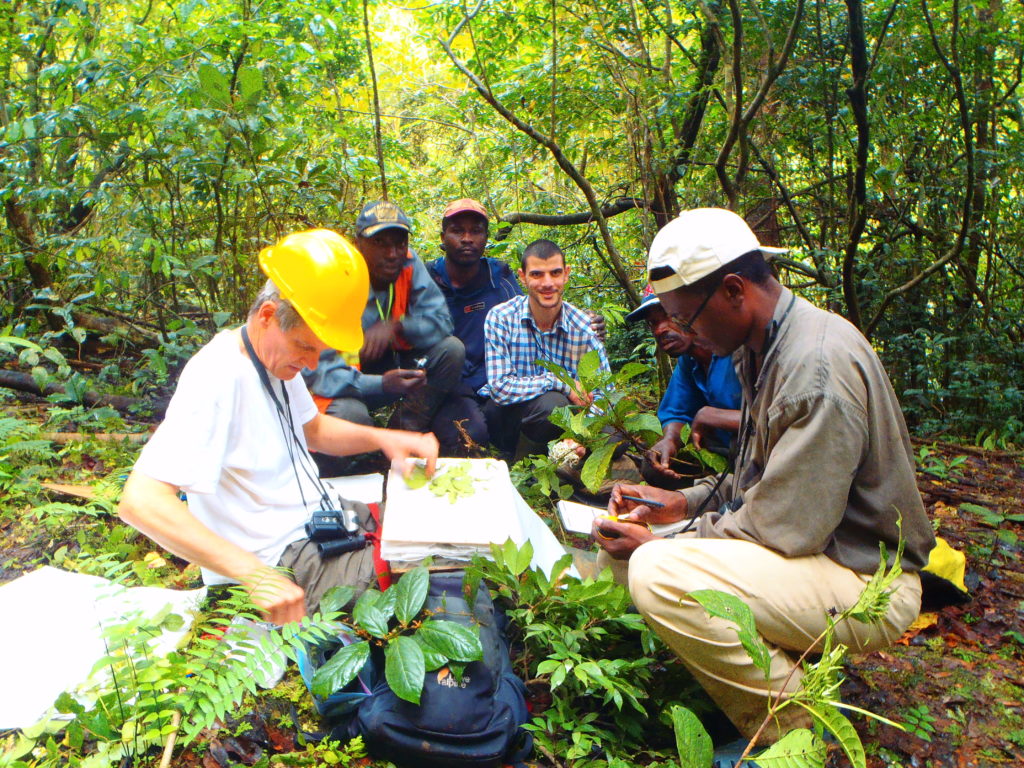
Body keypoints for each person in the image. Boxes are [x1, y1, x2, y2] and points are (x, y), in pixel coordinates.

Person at [593, 209, 935, 757]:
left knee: (658, 573)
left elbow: (781, 527)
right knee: (631, 554)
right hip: (815, 547)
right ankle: (747, 683)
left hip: (866, 579)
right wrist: (679, 502)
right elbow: (755, 481)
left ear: (732, 291)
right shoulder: (765, 346)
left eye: (686, 318)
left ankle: (797, 738)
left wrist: (667, 545)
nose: (683, 333)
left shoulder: (813, 368)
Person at [118, 230, 439, 626]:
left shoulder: (274, 359)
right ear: (268, 315)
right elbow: (141, 500)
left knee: (436, 523)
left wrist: (386, 439)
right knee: (435, 569)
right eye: (305, 347)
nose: (310, 364)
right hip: (283, 560)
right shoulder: (217, 376)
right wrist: (254, 576)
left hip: (323, 517)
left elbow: (315, 430)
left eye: (319, 351)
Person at [303, 201, 483, 469]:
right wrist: (382, 385)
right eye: (380, 243)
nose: (392, 253)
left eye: (399, 244)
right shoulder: (333, 281)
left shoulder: (407, 263)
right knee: (350, 416)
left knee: (451, 349)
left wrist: (396, 326)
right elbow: (321, 376)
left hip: (391, 366)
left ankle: (401, 435)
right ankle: (360, 464)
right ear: (358, 244)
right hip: (341, 383)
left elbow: (442, 322)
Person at [427, 199, 605, 450]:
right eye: (457, 231)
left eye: (476, 231)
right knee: (468, 439)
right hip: (452, 388)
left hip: (498, 387)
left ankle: (541, 454)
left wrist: (585, 322)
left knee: (597, 428)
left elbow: (538, 305)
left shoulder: (499, 278)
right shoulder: (426, 281)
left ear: (486, 237)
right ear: (443, 236)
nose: (467, 238)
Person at [480, 238, 610, 458]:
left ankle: (566, 455)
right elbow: (500, 388)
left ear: (566, 274)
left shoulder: (583, 327)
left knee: (614, 433)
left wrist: (581, 435)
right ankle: (523, 466)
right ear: (522, 277)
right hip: (509, 415)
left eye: (555, 273)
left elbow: (604, 393)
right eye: (537, 274)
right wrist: (561, 384)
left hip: (565, 421)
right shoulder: (501, 317)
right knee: (552, 403)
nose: (547, 283)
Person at [624, 286, 741, 489]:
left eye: (668, 316)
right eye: (653, 322)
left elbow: (775, 418)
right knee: (653, 467)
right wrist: (670, 439)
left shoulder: (738, 351)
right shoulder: (690, 361)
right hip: (719, 457)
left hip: (760, 453)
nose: (660, 329)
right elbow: (676, 412)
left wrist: (715, 416)